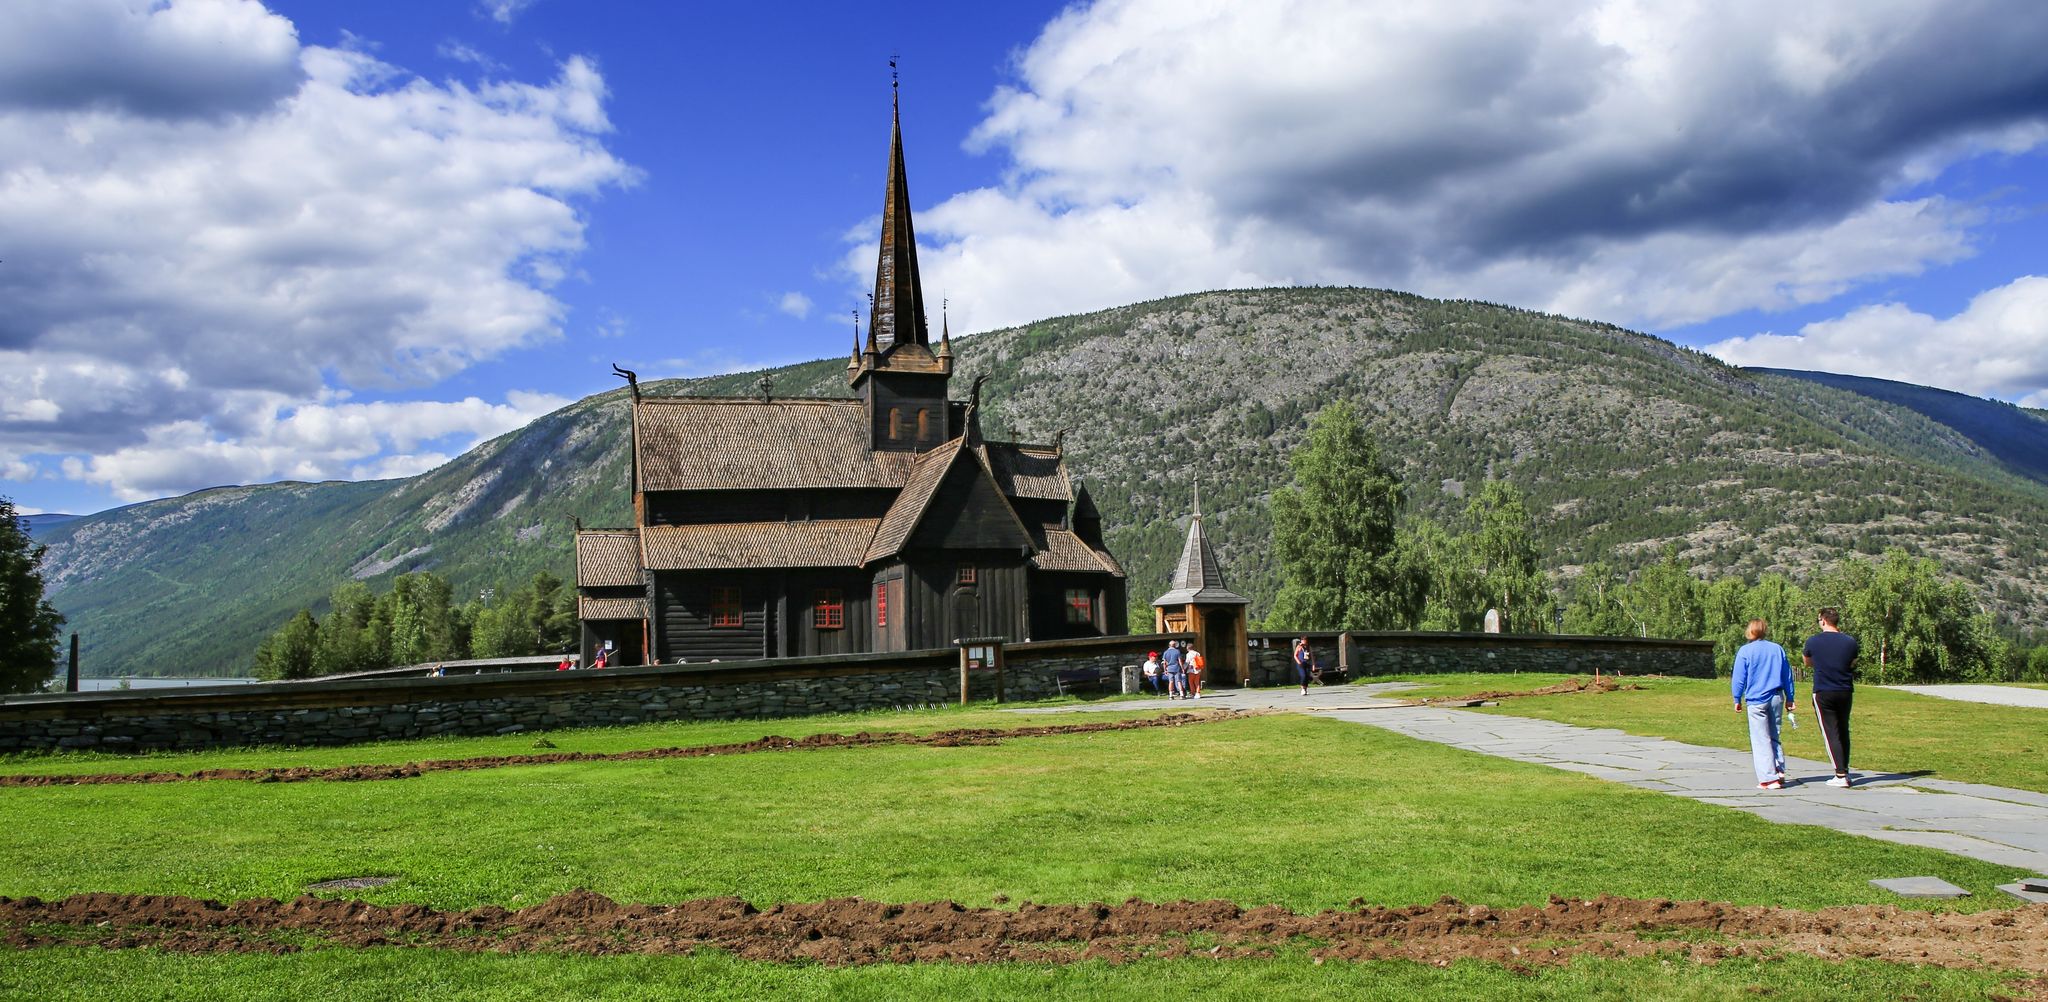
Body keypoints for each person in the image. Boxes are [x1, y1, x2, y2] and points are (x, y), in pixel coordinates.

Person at [1731, 618, 1796, 789]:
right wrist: (1790, 697)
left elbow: (1739, 678)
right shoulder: (1777, 649)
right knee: (1774, 734)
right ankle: (1779, 769)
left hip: (1756, 699)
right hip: (1776, 697)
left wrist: (1736, 698)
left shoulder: (1745, 651)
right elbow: (1787, 675)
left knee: (1760, 739)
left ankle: (1769, 778)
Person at [1803, 607, 1861, 788]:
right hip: (1844, 689)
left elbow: (1807, 662)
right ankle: (1845, 769)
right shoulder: (1850, 641)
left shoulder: (1813, 641)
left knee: (1830, 732)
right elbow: (1853, 662)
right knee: (1843, 729)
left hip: (1823, 690)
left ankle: (1840, 774)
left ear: (1823, 620)